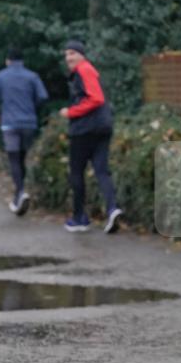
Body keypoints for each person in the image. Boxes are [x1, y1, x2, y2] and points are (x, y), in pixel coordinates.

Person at [59, 40, 123, 233]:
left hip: (85, 129)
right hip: (102, 128)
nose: (68, 57)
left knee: (76, 172)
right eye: (66, 54)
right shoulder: (90, 71)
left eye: (72, 53)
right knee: (102, 170)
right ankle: (112, 209)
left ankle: (80, 218)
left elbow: (96, 98)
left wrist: (71, 112)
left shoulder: (84, 70)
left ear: (82, 55)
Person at [0, 46, 48, 215]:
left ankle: (20, 191)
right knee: (23, 156)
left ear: (8, 61)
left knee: (13, 158)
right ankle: (20, 193)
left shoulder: (1, 76)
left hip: (9, 123)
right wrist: (33, 109)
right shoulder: (32, 76)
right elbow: (43, 96)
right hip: (29, 122)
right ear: (22, 61)